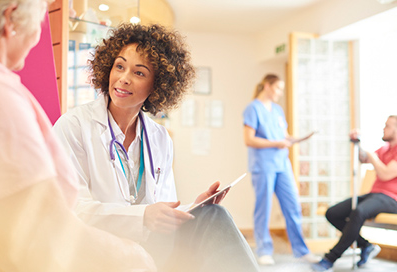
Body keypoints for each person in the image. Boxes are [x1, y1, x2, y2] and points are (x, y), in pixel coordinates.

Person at [0, 1, 156, 271]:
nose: (37, 35)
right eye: (39, 23)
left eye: (140, 72)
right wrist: (132, 258)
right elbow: (43, 234)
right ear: (11, 21)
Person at [53, 23, 260, 272]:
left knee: (214, 217)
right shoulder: (74, 126)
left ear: (157, 85)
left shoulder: (159, 137)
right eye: (119, 66)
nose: (124, 78)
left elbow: (163, 209)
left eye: (139, 73)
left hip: (151, 246)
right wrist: (142, 217)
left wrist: (192, 208)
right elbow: (71, 210)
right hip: (99, 250)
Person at [243, 74, 319, 265]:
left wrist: (300, 138)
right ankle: (264, 250)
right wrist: (276, 143)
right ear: (267, 86)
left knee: (293, 205)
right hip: (263, 165)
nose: (279, 93)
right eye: (277, 88)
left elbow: (284, 136)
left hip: (282, 165)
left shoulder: (277, 110)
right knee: (264, 208)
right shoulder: (253, 108)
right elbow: (249, 139)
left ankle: (301, 250)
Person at [312, 116, 397, 271]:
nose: (384, 128)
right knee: (332, 213)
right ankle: (366, 245)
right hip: (375, 194)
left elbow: (385, 174)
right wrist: (357, 143)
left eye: (388, 126)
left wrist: (371, 155)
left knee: (358, 212)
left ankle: (330, 259)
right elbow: (363, 158)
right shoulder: (384, 149)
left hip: (392, 198)